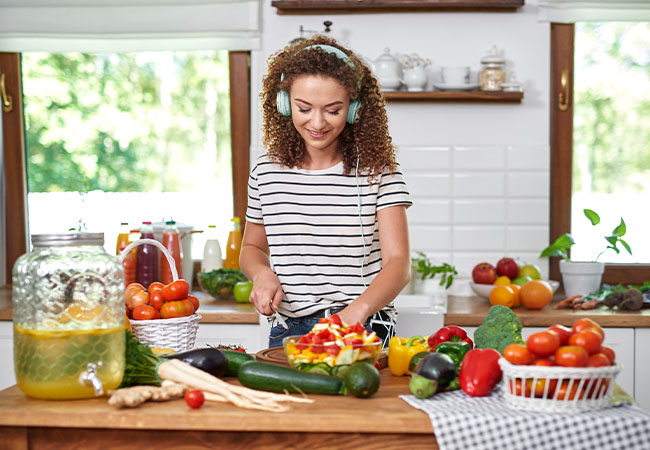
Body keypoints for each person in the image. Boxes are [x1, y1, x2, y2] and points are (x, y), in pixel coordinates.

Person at [240, 35, 412, 349]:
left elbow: (399, 264)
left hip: (364, 325)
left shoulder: (378, 170)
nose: (317, 122)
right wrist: (261, 274)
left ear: (354, 109)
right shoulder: (265, 171)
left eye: (333, 110)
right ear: (283, 103)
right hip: (289, 327)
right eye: (304, 108)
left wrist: (354, 313)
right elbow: (251, 247)